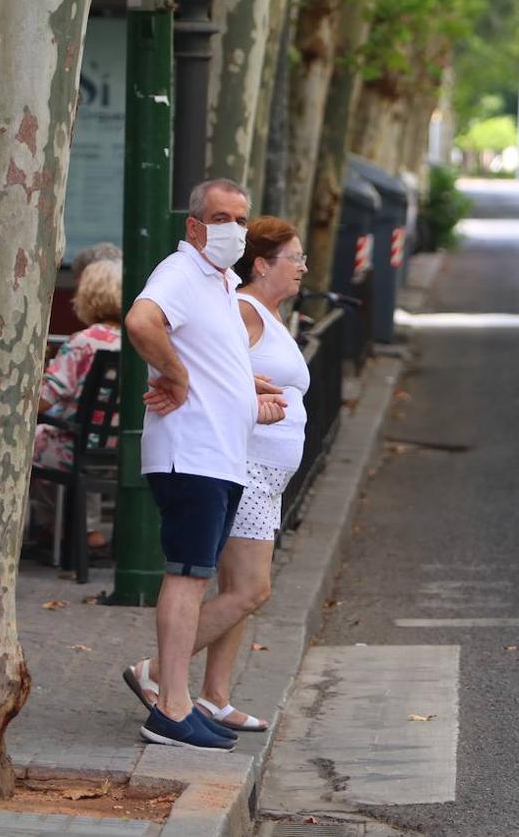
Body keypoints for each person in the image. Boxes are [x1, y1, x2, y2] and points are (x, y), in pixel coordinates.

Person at [122, 178, 287, 752]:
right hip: (189, 454)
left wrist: (246, 390)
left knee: (194, 578)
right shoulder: (180, 272)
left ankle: (179, 700)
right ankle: (170, 708)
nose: (234, 231)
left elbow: (211, 355)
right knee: (187, 577)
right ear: (195, 226)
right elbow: (142, 323)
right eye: (222, 218)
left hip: (217, 456)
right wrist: (177, 376)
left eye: (242, 220)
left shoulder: (217, 283)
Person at [191, 215, 310, 733]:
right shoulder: (244, 310)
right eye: (295, 258)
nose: (304, 267)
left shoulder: (271, 314)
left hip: (268, 472)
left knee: (235, 587)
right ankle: (156, 670)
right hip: (249, 466)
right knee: (253, 590)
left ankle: (215, 695)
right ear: (262, 264)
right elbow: (209, 370)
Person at [30, 258, 123, 551]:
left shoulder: (83, 342)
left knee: (27, 444)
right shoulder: (137, 340)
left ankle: (54, 526)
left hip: (78, 445)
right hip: (120, 447)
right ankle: (85, 529)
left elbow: (44, 399)